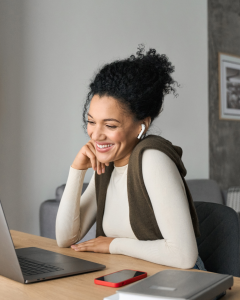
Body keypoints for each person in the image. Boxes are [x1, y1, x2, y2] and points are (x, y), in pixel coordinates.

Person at [56, 45, 206, 270]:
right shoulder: (106, 165)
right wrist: (77, 170)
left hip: (176, 283)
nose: (96, 134)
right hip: (129, 277)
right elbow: (65, 238)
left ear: (141, 126)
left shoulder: (152, 159)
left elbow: (183, 256)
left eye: (110, 125)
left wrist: (114, 245)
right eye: (91, 121)